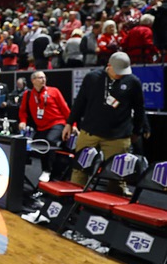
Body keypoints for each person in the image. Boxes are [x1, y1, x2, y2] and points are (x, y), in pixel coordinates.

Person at [61, 52, 145, 196]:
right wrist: (69, 123)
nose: (120, 75)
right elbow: (80, 102)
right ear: (109, 66)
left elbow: (139, 109)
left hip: (118, 135)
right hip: (90, 132)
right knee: (80, 169)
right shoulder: (92, 78)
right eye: (118, 71)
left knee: (117, 173)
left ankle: (115, 207)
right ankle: (74, 201)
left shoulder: (133, 82)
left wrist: (137, 131)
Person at [18, 71, 72, 182]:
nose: (43, 80)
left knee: (50, 140)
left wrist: (72, 124)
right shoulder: (27, 94)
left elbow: (65, 109)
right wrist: (22, 121)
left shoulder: (54, 91)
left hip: (57, 122)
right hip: (41, 127)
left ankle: (48, 170)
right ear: (33, 80)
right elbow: (23, 111)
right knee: (38, 145)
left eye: (44, 77)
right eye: (40, 78)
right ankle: (44, 171)